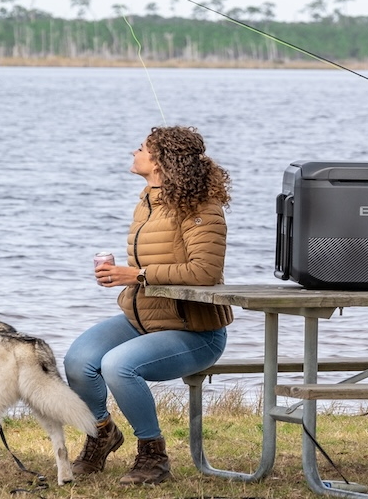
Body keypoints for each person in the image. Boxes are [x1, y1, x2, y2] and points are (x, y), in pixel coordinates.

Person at [65, 125, 233, 485]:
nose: (134, 152)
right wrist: (121, 275)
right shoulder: (148, 200)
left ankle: (152, 456)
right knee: (77, 361)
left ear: (160, 161)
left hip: (194, 330)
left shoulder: (202, 207)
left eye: (141, 148)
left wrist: (138, 274)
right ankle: (102, 434)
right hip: (141, 318)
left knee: (117, 365)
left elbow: (205, 272)